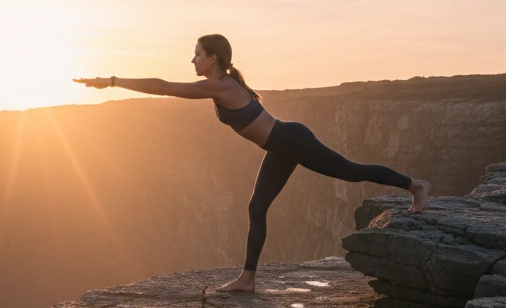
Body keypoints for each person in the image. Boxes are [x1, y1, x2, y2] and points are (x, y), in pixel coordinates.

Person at [74, 34, 430, 292]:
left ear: (212, 57)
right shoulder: (223, 84)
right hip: (280, 145)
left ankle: (415, 186)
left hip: (291, 140)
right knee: (256, 206)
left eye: (197, 54)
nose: (193, 61)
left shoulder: (221, 86)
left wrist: (114, 82)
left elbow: (166, 86)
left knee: (351, 172)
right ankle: (248, 277)